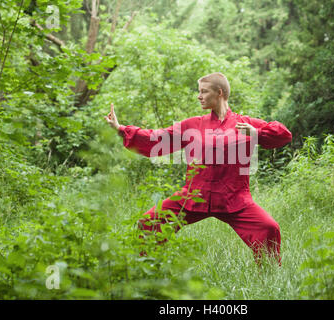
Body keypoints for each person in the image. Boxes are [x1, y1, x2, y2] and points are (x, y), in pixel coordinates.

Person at [104, 72, 292, 265]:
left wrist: (257, 133)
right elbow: (157, 138)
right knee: (148, 222)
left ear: (219, 93)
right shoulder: (193, 124)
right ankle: (146, 270)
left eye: (204, 91)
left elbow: (284, 135)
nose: (199, 96)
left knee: (269, 228)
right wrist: (120, 129)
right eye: (199, 91)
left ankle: (269, 273)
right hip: (194, 196)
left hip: (234, 199)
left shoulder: (244, 124)